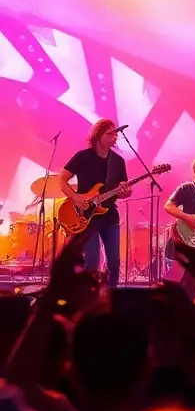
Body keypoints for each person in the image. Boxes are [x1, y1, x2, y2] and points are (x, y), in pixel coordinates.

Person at [59, 119, 133, 286]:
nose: (115, 137)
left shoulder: (118, 161)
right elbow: (62, 180)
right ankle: (89, 298)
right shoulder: (83, 157)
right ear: (98, 135)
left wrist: (125, 192)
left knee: (114, 262)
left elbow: (121, 189)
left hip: (109, 215)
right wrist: (76, 197)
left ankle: (110, 298)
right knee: (92, 261)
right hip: (85, 216)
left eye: (116, 133)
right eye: (110, 133)